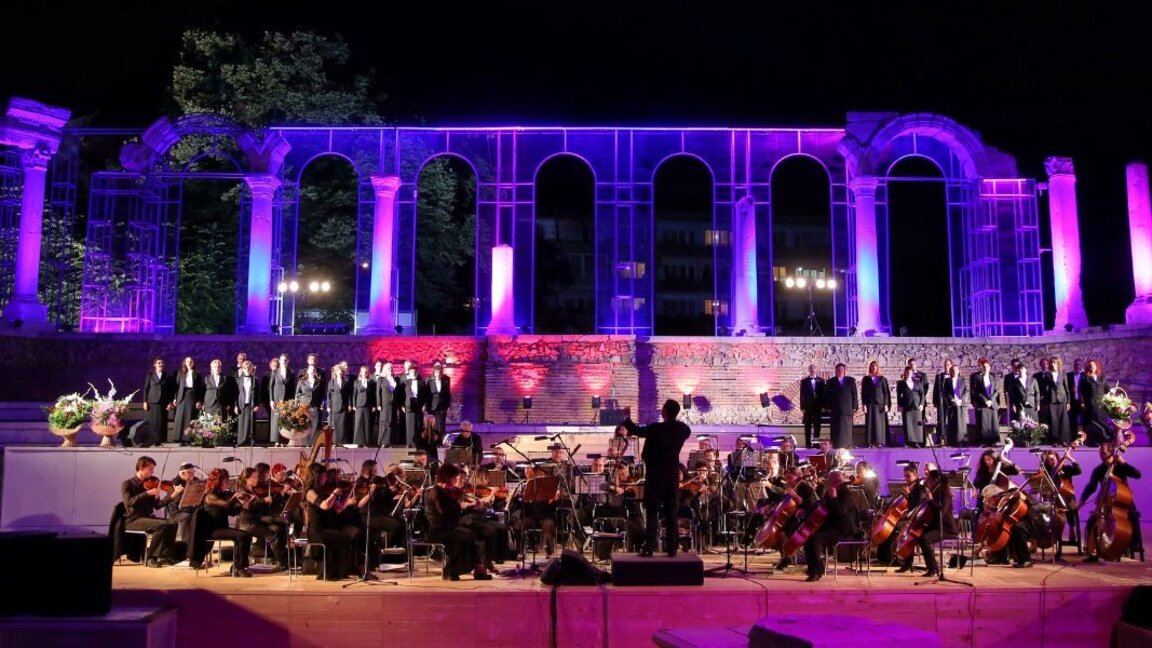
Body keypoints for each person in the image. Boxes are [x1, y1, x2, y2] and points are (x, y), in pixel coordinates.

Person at [616, 398, 692, 557]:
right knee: (671, 511)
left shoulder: (655, 428)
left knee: (652, 511)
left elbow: (636, 430)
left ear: (664, 411)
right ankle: (672, 548)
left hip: (655, 474)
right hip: (671, 476)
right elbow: (682, 430)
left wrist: (626, 418)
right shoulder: (683, 429)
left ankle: (649, 547)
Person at [424, 463, 494, 581]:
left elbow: (455, 514)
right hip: (438, 530)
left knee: (472, 535)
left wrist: (471, 507)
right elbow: (443, 511)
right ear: (447, 477)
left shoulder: (448, 492)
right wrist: (460, 505)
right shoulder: (436, 491)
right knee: (465, 538)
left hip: (449, 527)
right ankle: (451, 570)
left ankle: (477, 568)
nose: (457, 479)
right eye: (454, 477)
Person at [1080, 441, 1141, 563]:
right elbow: (1091, 487)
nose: (1101, 455)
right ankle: (1094, 553)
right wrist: (1082, 500)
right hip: (1106, 504)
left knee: (1130, 518)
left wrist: (1124, 463)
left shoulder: (1120, 466)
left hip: (1122, 503)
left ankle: (1129, 546)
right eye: (1100, 453)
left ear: (1111, 452)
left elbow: (1137, 475)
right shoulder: (1099, 469)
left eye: (1103, 453)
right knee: (1092, 521)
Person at [189, 468, 254, 576]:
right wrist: (235, 498)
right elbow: (227, 505)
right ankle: (239, 568)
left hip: (222, 528)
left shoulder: (222, 495)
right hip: (212, 530)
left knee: (245, 535)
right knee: (242, 536)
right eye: (225, 481)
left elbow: (231, 512)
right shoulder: (210, 496)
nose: (227, 483)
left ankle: (238, 567)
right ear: (218, 481)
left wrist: (243, 504)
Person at [894, 466, 955, 577]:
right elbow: (922, 507)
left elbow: (941, 513)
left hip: (946, 527)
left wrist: (930, 500)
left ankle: (932, 569)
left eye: (928, 479)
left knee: (924, 538)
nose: (926, 482)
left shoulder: (945, 494)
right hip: (934, 524)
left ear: (935, 480)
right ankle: (908, 563)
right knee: (913, 532)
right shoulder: (933, 492)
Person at [802, 471, 861, 582]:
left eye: (830, 480)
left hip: (844, 529)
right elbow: (822, 506)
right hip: (833, 527)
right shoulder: (831, 492)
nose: (828, 482)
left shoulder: (847, 493)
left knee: (816, 539)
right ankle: (813, 569)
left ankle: (816, 571)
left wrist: (834, 497)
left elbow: (840, 512)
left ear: (836, 481)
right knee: (809, 537)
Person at [121, 456, 179, 566]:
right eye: (150, 469)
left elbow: (157, 506)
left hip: (147, 518)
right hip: (133, 519)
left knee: (173, 523)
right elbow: (129, 502)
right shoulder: (127, 484)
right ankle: (151, 557)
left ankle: (165, 556)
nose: (152, 472)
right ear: (141, 468)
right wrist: (147, 493)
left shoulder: (150, 484)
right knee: (163, 525)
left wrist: (172, 495)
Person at [302, 463, 356, 580]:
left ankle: (338, 572)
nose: (326, 478)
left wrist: (349, 490)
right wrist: (334, 494)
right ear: (317, 476)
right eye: (323, 475)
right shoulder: (310, 492)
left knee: (345, 537)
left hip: (326, 528)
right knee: (343, 538)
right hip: (317, 531)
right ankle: (332, 573)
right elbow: (325, 505)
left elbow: (340, 507)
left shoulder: (323, 490)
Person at [354, 460, 407, 572]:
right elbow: (363, 503)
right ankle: (383, 546)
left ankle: (398, 558)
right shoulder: (360, 482)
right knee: (395, 525)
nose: (376, 472)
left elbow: (381, 499)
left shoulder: (376, 481)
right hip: (369, 516)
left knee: (401, 523)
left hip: (379, 515)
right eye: (375, 470)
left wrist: (391, 490)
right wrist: (372, 490)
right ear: (368, 469)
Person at [236, 467, 289, 571]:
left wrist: (276, 498)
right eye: (254, 477)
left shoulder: (253, 491)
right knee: (273, 536)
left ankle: (282, 560)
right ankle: (285, 564)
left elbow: (261, 506)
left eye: (257, 477)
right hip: (247, 523)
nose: (257, 479)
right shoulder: (241, 492)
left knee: (278, 528)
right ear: (246, 479)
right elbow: (249, 506)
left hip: (257, 521)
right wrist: (263, 501)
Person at [1038, 357, 1073, 445]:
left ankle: (1064, 440)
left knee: (1063, 420)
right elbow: (1044, 389)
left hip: (1062, 399)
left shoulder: (1063, 374)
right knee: (1053, 420)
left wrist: (1068, 402)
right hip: (1051, 400)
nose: (1053, 364)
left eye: (1055, 363)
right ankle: (1054, 440)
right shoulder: (1047, 375)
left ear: (1058, 364)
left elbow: (1067, 389)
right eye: (1052, 363)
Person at [141, 357, 174, 446]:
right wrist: (145, 401)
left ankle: (160, 441)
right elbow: (146, 389)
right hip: (151, 403)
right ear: (154, 365)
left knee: (161, 423)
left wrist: (170, 402)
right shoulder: (150, 375)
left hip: (163, 403)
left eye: (162, 363)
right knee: (151, 423)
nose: (161, 364)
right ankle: (149, 440)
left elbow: (171, 391)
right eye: (159, 363)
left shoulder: (167, 376)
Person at [824, 363, 858, 449]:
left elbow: (854, 395)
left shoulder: (851, 381)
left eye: (842, 369)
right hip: (835, 409)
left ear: (845, 371)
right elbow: (827, 395)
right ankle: (836, 444)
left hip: (847, 409)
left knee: (847, 428)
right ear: (836, 371)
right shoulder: (830, 382)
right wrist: (827, 407)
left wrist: (854, 406)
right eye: (838, 369)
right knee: (836, 428)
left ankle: (848, 444)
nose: (840, 371)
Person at [173, 356, 203, 445]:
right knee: (181, 417)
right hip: (181, 396)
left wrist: (199, 400)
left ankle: (189, 438)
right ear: (184, 363)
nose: (189, 363)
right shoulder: (180, 373)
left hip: (192, 396)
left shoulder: (197, 374)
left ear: (193, 363)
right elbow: (176, 387)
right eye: (187, 361)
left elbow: (199, 389)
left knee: (190, 417)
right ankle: (180, 439)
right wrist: (175, 398)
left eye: (190, 361)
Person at [970, 358, 1001, 446]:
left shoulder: (993, 377)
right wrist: (985, 400)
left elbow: (996, 390)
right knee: (983, 423)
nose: (986, 368)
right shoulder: (977, 377)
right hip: (982, 403)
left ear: (989, 367)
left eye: (987, 366)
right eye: (984, 366)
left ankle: (994, 441)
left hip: (992, 403)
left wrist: (992, 400)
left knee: (993, 423)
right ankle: (983, 441)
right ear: (981, 367)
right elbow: (975, 391)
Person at [268, 353, 296, 447]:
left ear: (288, 361)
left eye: (285, 360)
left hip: (287, 400)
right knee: (276, 420)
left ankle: (284, 440)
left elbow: (293, 387)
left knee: (285, 421)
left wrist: (293, 401)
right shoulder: (275, 372)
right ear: (279, 361)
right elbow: (271, 387)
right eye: (282, 360)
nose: (284, 361)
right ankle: (276, 440)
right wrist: (271, 400)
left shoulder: (291, 372)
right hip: (277, 400)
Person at [861, 360, 891, 448]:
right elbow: (863, 392)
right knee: (870, 424)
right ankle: (870, 442)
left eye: (875, 366)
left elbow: (885, 392)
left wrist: (886, 404)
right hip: (870, 404)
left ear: (877, 368)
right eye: (872, 366)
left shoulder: (882, 379)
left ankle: (879, 442)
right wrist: (864, 404)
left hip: (880, 405)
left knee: (879, 425)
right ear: (870, 368)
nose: (874, 368)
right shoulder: (866, 379)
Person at [1080, 360, 1109, 446]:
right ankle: (1092, 441)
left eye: (1093, 364)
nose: (1091, 366)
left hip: (1101, 405)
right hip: (1090, 404)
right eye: (1090, 365)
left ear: (1096, 366)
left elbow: (1107, 390)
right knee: (1092, 422)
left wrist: (1108, 401)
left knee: (1101, 422)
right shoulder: (1085, 378)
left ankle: (1103, 441)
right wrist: (1082, 403)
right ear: (1088, 367)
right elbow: (1081, 392)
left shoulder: (1102, 377)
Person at [897, 365, 926, 447]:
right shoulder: (901, 383)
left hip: (917, 406)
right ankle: (909, 442)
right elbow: (899, 395)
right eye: (907, 372)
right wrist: (900, 405)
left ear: (912, 373)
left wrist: (922, 404)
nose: (909, 373)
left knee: (917, 424)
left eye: (910, 372)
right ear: (905, 373)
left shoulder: (917, 382)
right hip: (907, 406)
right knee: (908, 424)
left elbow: (922, 394)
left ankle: (918, 442)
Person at [295, 364, 324, 445]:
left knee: (315, 425)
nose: (312, 372)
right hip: (304, 405)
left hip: (315, 405)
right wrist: (297, 404)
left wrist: (322, 403)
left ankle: (313, 442)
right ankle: (305, 443)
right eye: (310, 370)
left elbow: (322, 394)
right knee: (305, 424)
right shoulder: (302, 381)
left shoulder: (319, 381)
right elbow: (297, 393)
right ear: (307, 371)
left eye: (313, 370)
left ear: (315, 372)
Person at [799, 364, 825, 447]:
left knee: (817, 426)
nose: (812, 369)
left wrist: (823, 406)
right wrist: (802, 407)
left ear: (816, 369)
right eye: (811, 368)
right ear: (809, 370)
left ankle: (816, 444)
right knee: (807, 426)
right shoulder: (804, 381)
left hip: (818, 407)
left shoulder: (821, 381)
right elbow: (802, 395)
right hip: (807, 407)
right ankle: (808, 443)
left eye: (814, 368)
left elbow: (824, 394)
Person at [942, 364, 968, 447]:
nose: (954, 372)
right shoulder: (947, 381)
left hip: (961, 404)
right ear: (950, 372)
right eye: (952, 370)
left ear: (958, 371)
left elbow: (966, 391)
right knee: (952, 423)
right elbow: (945, 392)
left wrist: (961, 400)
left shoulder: (963, 380)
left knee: (961, 423)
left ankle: (962, 441)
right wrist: (952, 400)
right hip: (952, 405)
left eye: (956, 370)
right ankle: (952, 441)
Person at [351, 365, 376, 447]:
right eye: (363, 371)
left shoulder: (371, 382)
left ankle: (367, 442)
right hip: (359, 405)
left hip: (368, 405)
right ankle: (358, 442)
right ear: (360, 372)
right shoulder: (356, 382)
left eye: (366, 372)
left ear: (368, 373)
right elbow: (354, 394)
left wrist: (374, 405)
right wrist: (354, 405)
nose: (364, 373)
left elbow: (374, 395)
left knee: (367, 424)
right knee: (358, 424)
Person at [932, 359, 956, 446]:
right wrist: (935, 401)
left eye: (949, 364)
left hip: (951, 402)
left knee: (951, 420)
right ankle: (941, 439)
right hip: (941, 402)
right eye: (945, 364)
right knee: (941, 420)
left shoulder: (954, 375)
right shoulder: (939, 376)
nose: (947, 366)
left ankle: (951, 439)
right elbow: (936, 389)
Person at [235, 360, 259, 446]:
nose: (247, 369)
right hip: (241, 403)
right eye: (245, 368)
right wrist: (235, 406)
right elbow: (236, 393)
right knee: (241, 423)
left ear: (252, 369)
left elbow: (258, 393)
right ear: (243, 369)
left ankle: (250, 441)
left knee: (250, 423)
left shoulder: (255, 380)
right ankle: (241, 441)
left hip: (251, 403)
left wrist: (257, 405)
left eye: (249, 368)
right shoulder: (239, 380)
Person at [426, 362, 452, 440]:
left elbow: (448, 394)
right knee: (432, 423)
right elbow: (427, 394)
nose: (438, 373)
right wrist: (426, 406)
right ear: (434, 372)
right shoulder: (429, 380)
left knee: (441, 424)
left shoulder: (445, 381)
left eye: (439, 371)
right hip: (432, 406)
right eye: (436, 371)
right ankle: (432, 439)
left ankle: (440, 440)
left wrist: (448, 405)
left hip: (442, 406)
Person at [374, 360, 397, 447]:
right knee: (384, 422)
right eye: (388, 368)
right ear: (384, 370)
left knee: (392, 422)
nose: (390, 369)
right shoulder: (381, 379)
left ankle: (391, 441)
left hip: (393, 404)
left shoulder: (395, 379)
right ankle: (383, 441)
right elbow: (378, 392)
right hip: (384, 404)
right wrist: (378, 404)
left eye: (391, 368)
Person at [327, 364, 351, 445]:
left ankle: (342, 441)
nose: (340, 372)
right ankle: (334, 441)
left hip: (343, 406)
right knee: (335, 425)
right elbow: (329, 395)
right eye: (338, 371)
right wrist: (328, 406)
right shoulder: (331, 382)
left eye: (341, 371)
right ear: (336, 372)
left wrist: (349, 405)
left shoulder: (346, 383)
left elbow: (349, 395)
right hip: (334, 406)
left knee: (342, 425)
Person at [400, 364, 423, 447]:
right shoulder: (405, 382)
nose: (413, 373)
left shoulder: (421, 382)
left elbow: (425, 395)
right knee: (409, 424)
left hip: (418, 405)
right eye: (412, 372)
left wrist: (424, 405)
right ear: (409, 373)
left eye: (414, 372)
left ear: (417, 372)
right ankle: (409, 443)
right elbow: (402, 395)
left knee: (418, 424)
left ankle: (417, 443)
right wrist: (402, 405)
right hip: (409, 404)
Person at [1066, 358, 1086, 436]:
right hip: (1072, 401)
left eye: (1079, 364)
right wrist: (1071, 389)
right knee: (1072, 420)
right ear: (1073, 365)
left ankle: (1085, 438)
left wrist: (1084, 402)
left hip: (1083, 402)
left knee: (1084, 420)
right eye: (1076, 365)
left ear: (1082, 365)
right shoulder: (1068, 375)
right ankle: (1073, 438)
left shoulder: (1085, 375)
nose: (1077, 366)